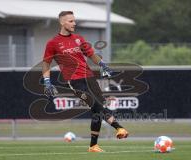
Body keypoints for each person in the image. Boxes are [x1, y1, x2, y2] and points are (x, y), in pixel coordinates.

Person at [42, 11, 128, 152]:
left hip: (89, 77)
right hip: (75, 82)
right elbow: (46, 63)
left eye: (74, 21)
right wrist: (47, 81)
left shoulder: (79, 38)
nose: (74, 23)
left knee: (97, 111)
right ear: (62, 23)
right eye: (70, 21)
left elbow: (91, 55)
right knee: (96, 105)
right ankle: (119, 127)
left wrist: (103, 65)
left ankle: (93, 146)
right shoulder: (53, 43)